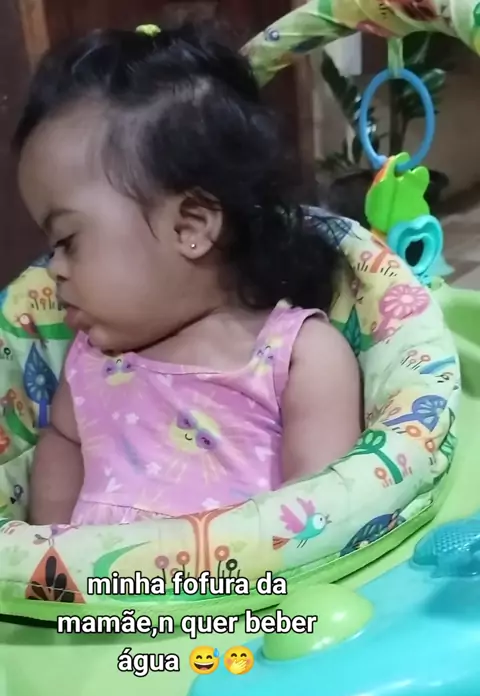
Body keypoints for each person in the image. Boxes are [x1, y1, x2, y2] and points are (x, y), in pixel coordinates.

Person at [14, 21, 362, 526]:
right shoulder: (89, 361)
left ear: (190, 226)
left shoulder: (295, 356)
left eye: (67, 241)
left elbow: (325, 516)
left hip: (246, 578)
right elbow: (60, 452)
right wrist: (50, 546)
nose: (53, 271)